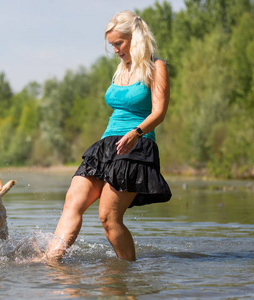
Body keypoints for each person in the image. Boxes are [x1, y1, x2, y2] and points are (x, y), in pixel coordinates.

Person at [45, 10, 172, 261]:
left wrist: (136, 133)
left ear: (134, 38)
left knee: (108, 217)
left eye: (118, 43)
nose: (115, 49)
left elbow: (159, 112)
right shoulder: (120, 69)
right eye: (112, 45)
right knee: (73, 202)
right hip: (106, 145)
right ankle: (51, 262)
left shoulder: (155, 67)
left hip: (137, 144)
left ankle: (127, 274)